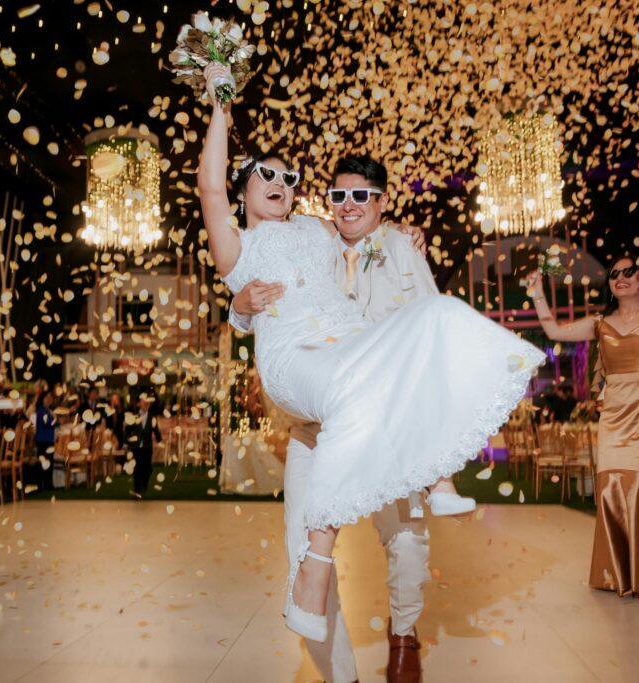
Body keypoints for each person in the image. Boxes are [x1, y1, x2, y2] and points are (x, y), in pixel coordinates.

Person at [198, 62, 544, 642]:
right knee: (352, 393)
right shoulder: (238, 245)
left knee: (438, 315)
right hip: (296, 356)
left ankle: (436, 476)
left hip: (354, 345)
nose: (281, 182)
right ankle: (315, 566)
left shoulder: (317, 229)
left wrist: (403, 230)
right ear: (243, 189)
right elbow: (209, 187)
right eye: (266, 175)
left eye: (288, 176)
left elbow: (362, 221)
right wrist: (219, 103)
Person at [230, 154, 466, 681]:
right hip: (314, 428)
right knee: (303, 547)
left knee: (407, 541)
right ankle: (342, 675)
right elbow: (257, 285)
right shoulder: (312, 242)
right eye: (339, 196)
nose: (349, 205)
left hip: (383, 420)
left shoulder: (401, 248)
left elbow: (431, 323)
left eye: (362, 196)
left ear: (381, 202)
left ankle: (403, 634)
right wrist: (240, 308)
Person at [525, 258, 639, 604]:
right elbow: (555, 332)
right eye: (614, 274)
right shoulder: (600, 323)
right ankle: (621, 574)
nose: (620, 278)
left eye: (628, 272)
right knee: (612, 485)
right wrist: (537, 294)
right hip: (616, 412)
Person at [125, 395, 161, 497]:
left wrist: (159, 440)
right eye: (143, 401)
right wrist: (126, 442)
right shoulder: (134, 416)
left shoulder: (152, 416)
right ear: (139, 404)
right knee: (137, 468)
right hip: (136, 447)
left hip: (147, 447)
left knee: (147, 468)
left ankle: (144, 485)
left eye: (147, 402)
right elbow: (127, 430)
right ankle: (137, 490)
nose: (145, 403)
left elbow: (155, 429)